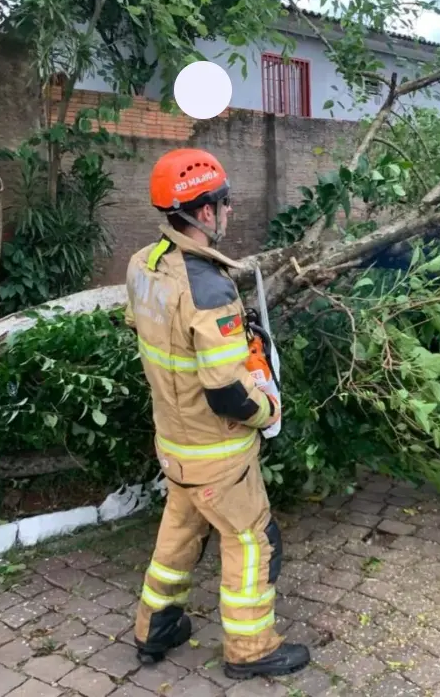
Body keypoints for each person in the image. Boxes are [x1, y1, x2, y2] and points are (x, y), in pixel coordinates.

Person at [122, 148, 310, 680]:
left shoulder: (144, 265)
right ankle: (251, 649)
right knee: (253, 539)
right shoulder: (208, 288)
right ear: (205, 211)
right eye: (225, 203)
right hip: (217, 452)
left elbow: (145, 331)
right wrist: (268, 410)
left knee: (180, 531)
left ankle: (155, 628)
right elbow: (227, 393)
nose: (229, 212)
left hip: (175, 444)